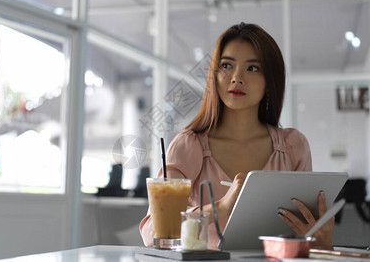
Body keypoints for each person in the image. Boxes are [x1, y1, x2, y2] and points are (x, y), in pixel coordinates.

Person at [139, 22, 334, 249]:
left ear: (270, 80)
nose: (236, 77)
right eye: (226, 65)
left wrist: (321, 242)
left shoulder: (293, 146)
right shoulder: (189, 145)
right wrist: (219, 207)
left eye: (252, 68)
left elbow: (304, 241)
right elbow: (152, 231)